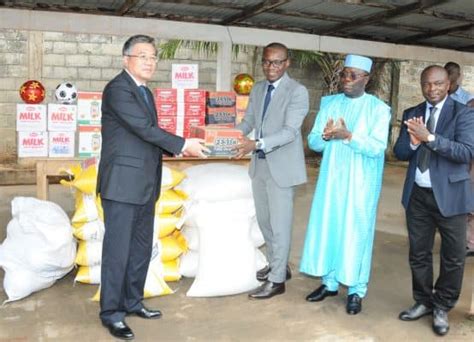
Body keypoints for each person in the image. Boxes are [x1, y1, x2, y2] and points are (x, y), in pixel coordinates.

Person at [96, 34, 208, 340]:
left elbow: (147, 135)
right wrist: (183, 144)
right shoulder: (119, 89)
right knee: (118, 251)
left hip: (145, 184)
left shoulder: (144, 92)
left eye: (153, 56)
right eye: (142, 55)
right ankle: (112, 313)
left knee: (141, 248)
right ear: (126, 59)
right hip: (121, 185)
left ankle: (133, 302)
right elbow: (144, 130)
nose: (149, 61)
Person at [299, 54, 391, 315]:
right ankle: (328, 283)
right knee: (330, 228)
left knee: (356, 233)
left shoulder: (378, 109)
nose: (346, 80)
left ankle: (356, 290)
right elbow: (314, 142)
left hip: (361, 183)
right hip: (331, 181)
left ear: (366, 79)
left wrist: (349, 135)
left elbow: (377, 147)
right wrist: (327, 137)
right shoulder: (330, 104)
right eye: (344, 74)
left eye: (353, 76)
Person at [393, 65, 474, 336]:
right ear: (421, 85)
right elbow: (400, 152)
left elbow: (465, 152)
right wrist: (414, 143)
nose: (432, 89)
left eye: (438, 83)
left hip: (450, 196)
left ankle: (442, 306)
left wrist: (430, 138)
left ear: (448, 84)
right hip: (417, 195)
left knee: (453, 257)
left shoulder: (463, 114)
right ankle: (424, 301)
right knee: (419, 253)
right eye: (427, 84)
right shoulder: (412, 113)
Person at [234, 42, 309, 299]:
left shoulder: (297, 92)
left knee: (280, 225)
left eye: (277, 62)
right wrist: (228, 135)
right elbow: (250, 121)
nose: (271, 67)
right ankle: (279, 265)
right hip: (260, 165)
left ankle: (277, 281)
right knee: (265, 222)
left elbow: (289, 132)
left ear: (287, 63)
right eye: (266, 62)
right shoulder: (257, 88)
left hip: (282, 168)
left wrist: (256, 143)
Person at [444, 61, 474, 257]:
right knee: (465, 204)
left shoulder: (467, 100)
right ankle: (466, 242)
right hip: (466, 162)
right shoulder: (470, 105)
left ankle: (469, 243)